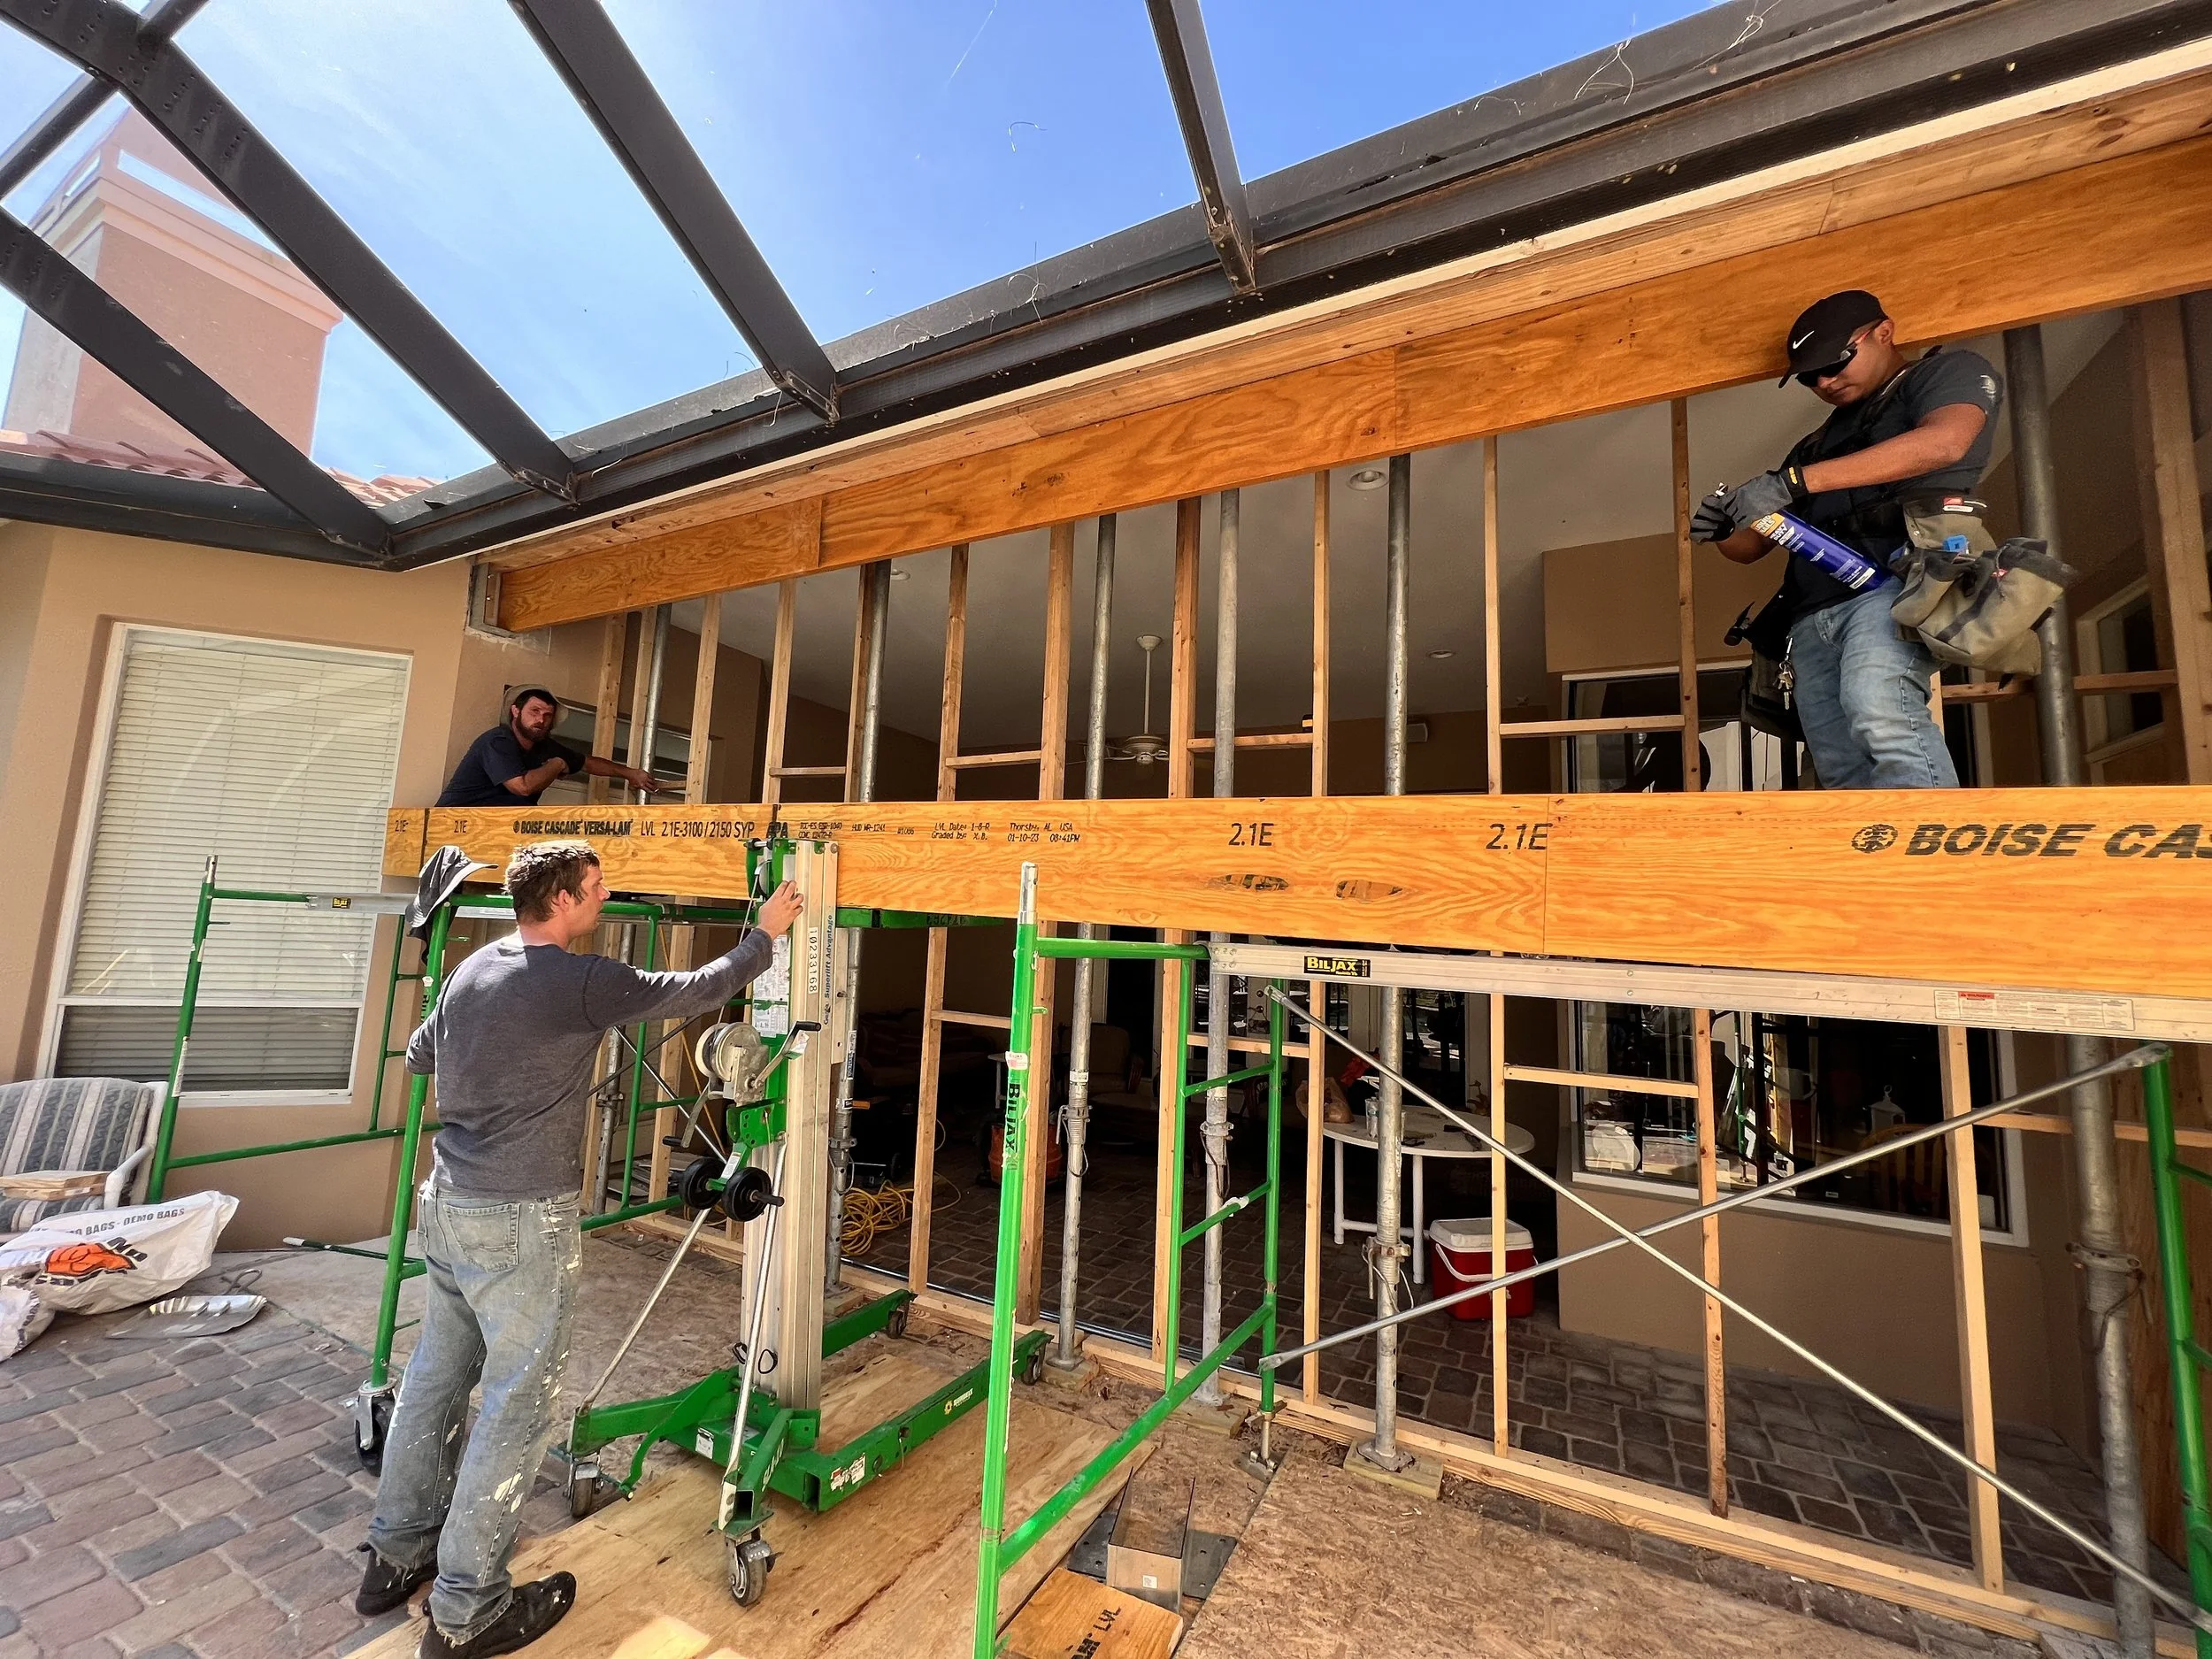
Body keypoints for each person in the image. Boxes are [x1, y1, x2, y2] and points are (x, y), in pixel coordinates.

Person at [357, 841, 802, 1657]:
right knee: (520, 1403)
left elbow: (422, 1055)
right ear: (559, 899)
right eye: (594, 888)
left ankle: (396, 1552)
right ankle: (467, 1609)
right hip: (521, 1218)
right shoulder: (578, 979)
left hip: (448, 1203)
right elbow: (693, 990)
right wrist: (763, 935)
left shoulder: (474, 968)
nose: (604, 897)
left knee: (437, 1375)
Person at [1692, 290, 2002, 789]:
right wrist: (1724, 529)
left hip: (1894, 586)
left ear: (1883, 332)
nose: (1824, 382)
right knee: (1835, 755)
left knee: (1880, 710)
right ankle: (1868, 861)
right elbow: (1750, 549)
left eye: (1835, 363)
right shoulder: (1814, 446)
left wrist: (1793, 483)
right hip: (1811, 612)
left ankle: (1931, 851)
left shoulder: (1942, 374)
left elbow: (1946, 442)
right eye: (1810, 377)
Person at [437, 687, 656, 807]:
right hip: (456, 824)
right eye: (534, 711)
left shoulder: (545, 746)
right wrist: (557, 765)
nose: (541, 719)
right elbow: (522, 787)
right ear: (515, 712)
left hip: (498, 828)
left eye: (547, 715)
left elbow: (588, 763)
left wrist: (630, 773)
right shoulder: (498, 741)